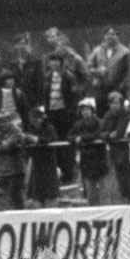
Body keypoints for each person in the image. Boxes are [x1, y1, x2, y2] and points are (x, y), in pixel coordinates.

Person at [42, 52, 77, 185]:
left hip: (65, 115)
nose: (54, 63)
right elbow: (45, 96)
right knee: (54, 144)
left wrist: (71, 114)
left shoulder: (68, 76)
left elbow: (74, 96)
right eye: (52, 61)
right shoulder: (47, 77)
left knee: (66, 144)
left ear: (61, 62)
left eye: (57, 60)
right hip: (52, 114)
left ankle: (69, 174)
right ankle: (57, 175)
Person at [68, 98, 108, 206]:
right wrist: (75, 138)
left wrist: (82, 138)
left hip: (99, 158)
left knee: (103, 190)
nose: (85, 112)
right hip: (86, 160)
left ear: (92, 110)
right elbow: (70, 136)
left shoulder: (99, 122)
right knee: (90, 190)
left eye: (88, 110)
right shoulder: (78, 124)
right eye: (83, 110)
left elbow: (98, 134)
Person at [86, 26, 130, 117]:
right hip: (101, 88)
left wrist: (123, 85)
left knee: (118, 114)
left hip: (117, 88)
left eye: (113, 34)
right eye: (108, 34)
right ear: (104, 37)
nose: (111, 36)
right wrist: (97, 71)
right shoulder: (97, 50)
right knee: (101, 113)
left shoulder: (125, 52)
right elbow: (88, 67)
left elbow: (129, 71)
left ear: (117, 36)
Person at [0, 111, 26, 210]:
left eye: (4, 121)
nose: (2, 124)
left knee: (14, 197)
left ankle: (20, 215)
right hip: (2, 170)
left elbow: (5, 146)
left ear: (9, 120)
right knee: (2, 196)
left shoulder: (16, 130)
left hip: (15, 170)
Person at [24, 107, 60, 208]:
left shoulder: (48, 128)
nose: (35, 121)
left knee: (50, 193)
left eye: (36, 118)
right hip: (36, 163)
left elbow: (54, 139)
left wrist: (38, 140)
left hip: (48, 163)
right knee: (37, 194)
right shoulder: (31, 129)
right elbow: (25, 144)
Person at [100, 91, 130, 202]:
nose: (114, 105)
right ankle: (124, 194)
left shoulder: (125, 114)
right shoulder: (107, 115)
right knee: (119, 172)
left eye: (116, 103)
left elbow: (120, 131)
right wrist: (109, 135)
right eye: (112, 103)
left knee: (127, 171)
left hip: (125, 147)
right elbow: (102, 131)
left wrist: (113, 134)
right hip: (114, 148)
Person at [11, 33, 44, 113]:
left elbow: (40, 84)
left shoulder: (36, 62)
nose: (21, 47)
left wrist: (40, 104)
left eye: (23, 44)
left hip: (33, 103)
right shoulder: (13, 64)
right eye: (18, 44)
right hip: (17, 103)